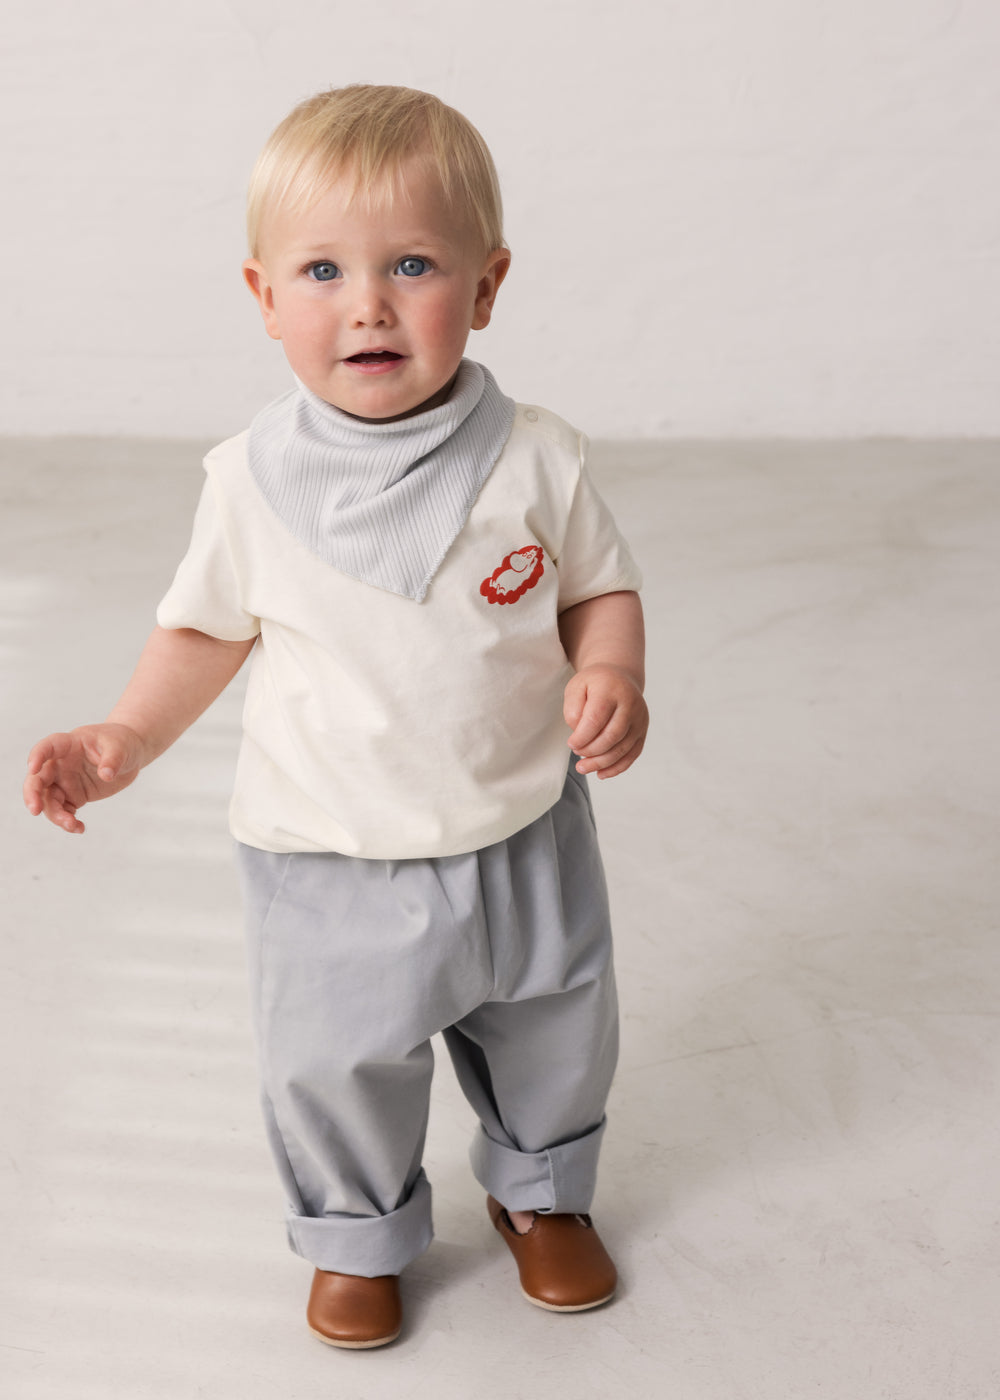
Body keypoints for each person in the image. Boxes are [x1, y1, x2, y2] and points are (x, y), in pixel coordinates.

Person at [23, 84, 648, 1350]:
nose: (365, 301)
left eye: (411, 263)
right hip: (330, 852)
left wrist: (613, 669)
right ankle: (358, 1226)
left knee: (555, 1028)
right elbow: (206, 627)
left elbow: (599, 585)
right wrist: (127, 735)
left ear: (486, 285)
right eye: (322, 269)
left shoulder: (536, 454)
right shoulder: (250, 482)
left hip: (522, 826)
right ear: (263, 297)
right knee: (335, 1061)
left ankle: (539, 1191)